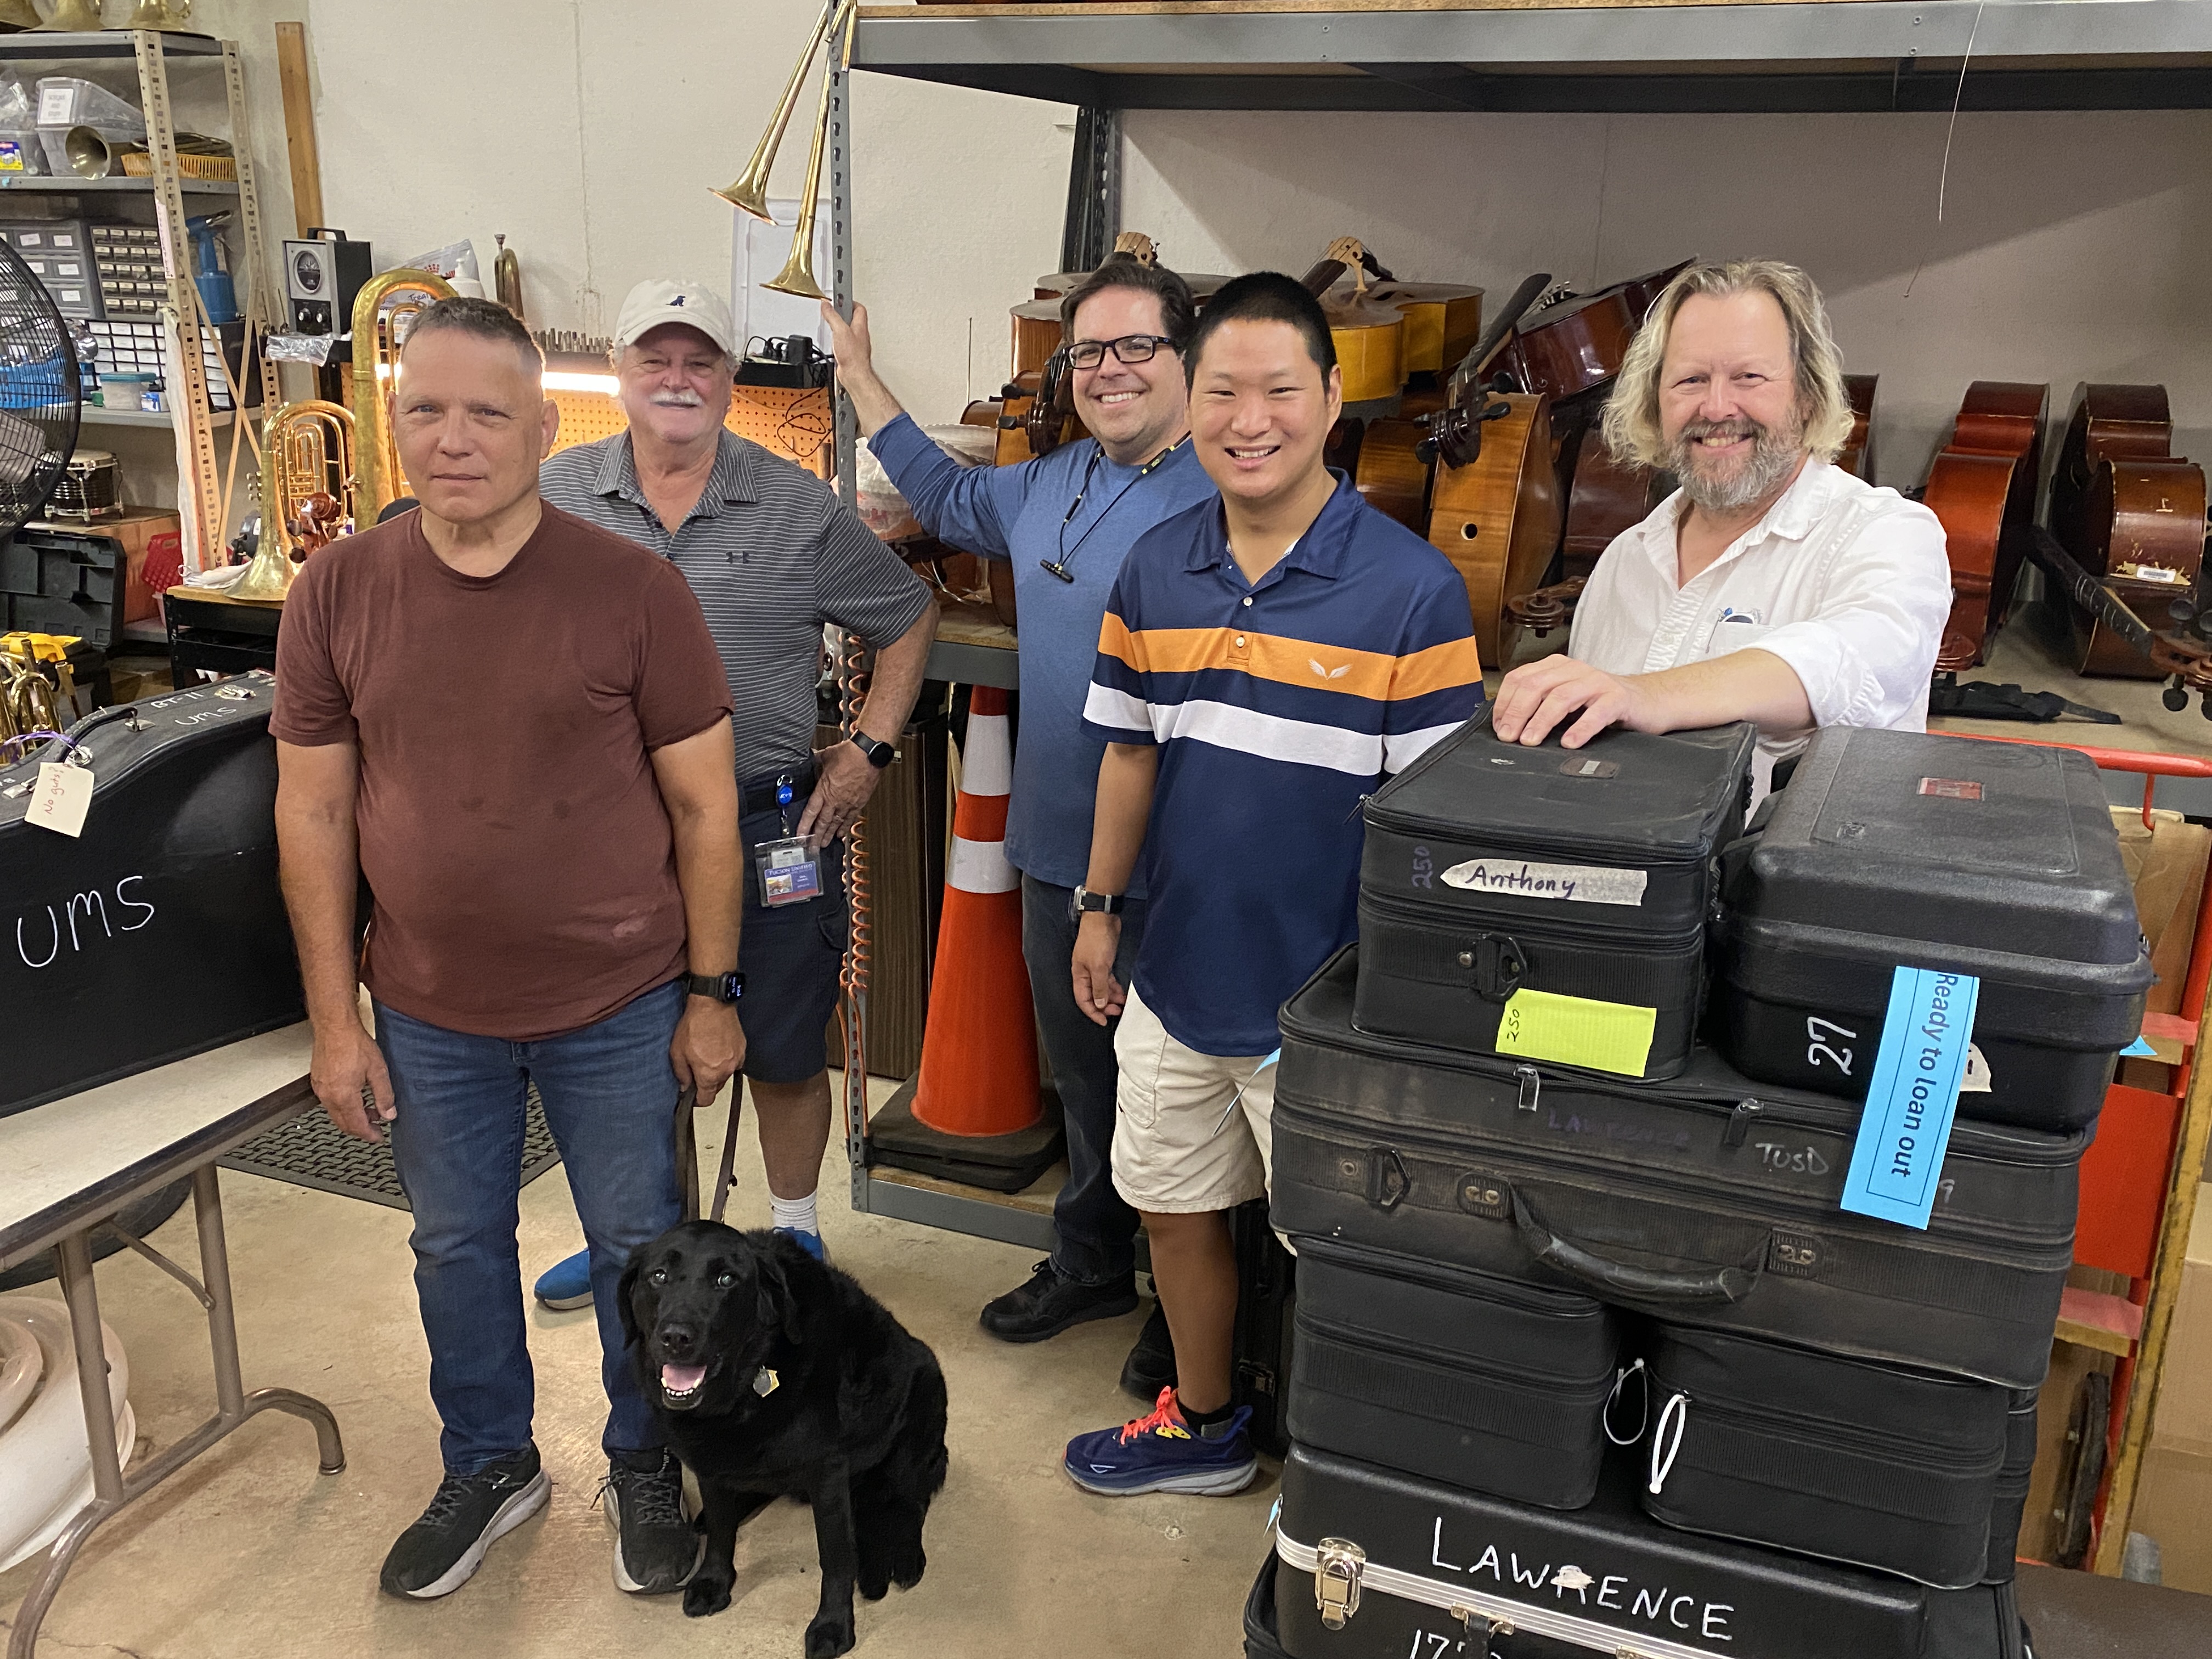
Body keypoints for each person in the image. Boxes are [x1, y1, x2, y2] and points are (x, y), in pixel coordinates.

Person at [271, 297, 743, 1599]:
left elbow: (707, 810)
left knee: (642, 1247)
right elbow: (311, 806)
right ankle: (490, 1460)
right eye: (425, 408)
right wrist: (335, 1020)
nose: (455, 438)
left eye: (489, 412)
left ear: (544, 428)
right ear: (393, 423)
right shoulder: (340, 590)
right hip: (427, 1008)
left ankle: (647, 1457)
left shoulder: (632, 592)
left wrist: (711, 994)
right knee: (454, 1248)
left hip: (620, 1000)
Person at [1058, 273, 1486, 1496]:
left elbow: (1429, 840)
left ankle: (1358, 1474)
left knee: (1346, 1248)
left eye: (1280, 390)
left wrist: (1403, 1006)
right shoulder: (1154, 569)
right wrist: (1098, 912)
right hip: (1177, 975)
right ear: (1190, 402)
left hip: (1332, 1004)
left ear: (1334, 400)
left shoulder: (1412, 591)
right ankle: (1204, 1422)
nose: (1251, 419)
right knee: (1175, 1206)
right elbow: (1130, 754)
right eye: (1224, 392)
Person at [823, 256, 1217, 1399]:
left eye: (1139, 346)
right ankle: (1094, 1262)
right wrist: (861, 376)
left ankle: (1185, 1301)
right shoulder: (1048, 485)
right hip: (1053, 850)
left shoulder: (1230, 495)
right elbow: (944, 500)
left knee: (1181, 1096)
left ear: (1188, 362)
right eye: (1090, 351)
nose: (1111, 371)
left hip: (1174, 865)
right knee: (1087, 1080)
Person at [532, 279, 936, 1299]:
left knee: (785, 1037)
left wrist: (869, 749)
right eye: (656, 359)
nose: (678, 379)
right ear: (620, 374)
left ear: (728, 376)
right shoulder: (552, 495)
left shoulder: (798, 503)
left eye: (700, 360)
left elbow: (905, 613)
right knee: (623, 1047)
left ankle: (793, 1239)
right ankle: (638, 1237)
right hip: (606, 832)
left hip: (771, 824)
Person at [1491, 258, 1950, 780]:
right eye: (1690, 379)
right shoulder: (1625, 559)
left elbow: (1846, 664)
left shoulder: (1887, 533)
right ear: (1655, 401)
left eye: (1748, 377)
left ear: (1807, 394)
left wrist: (1644, 695)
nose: (1716, 407)